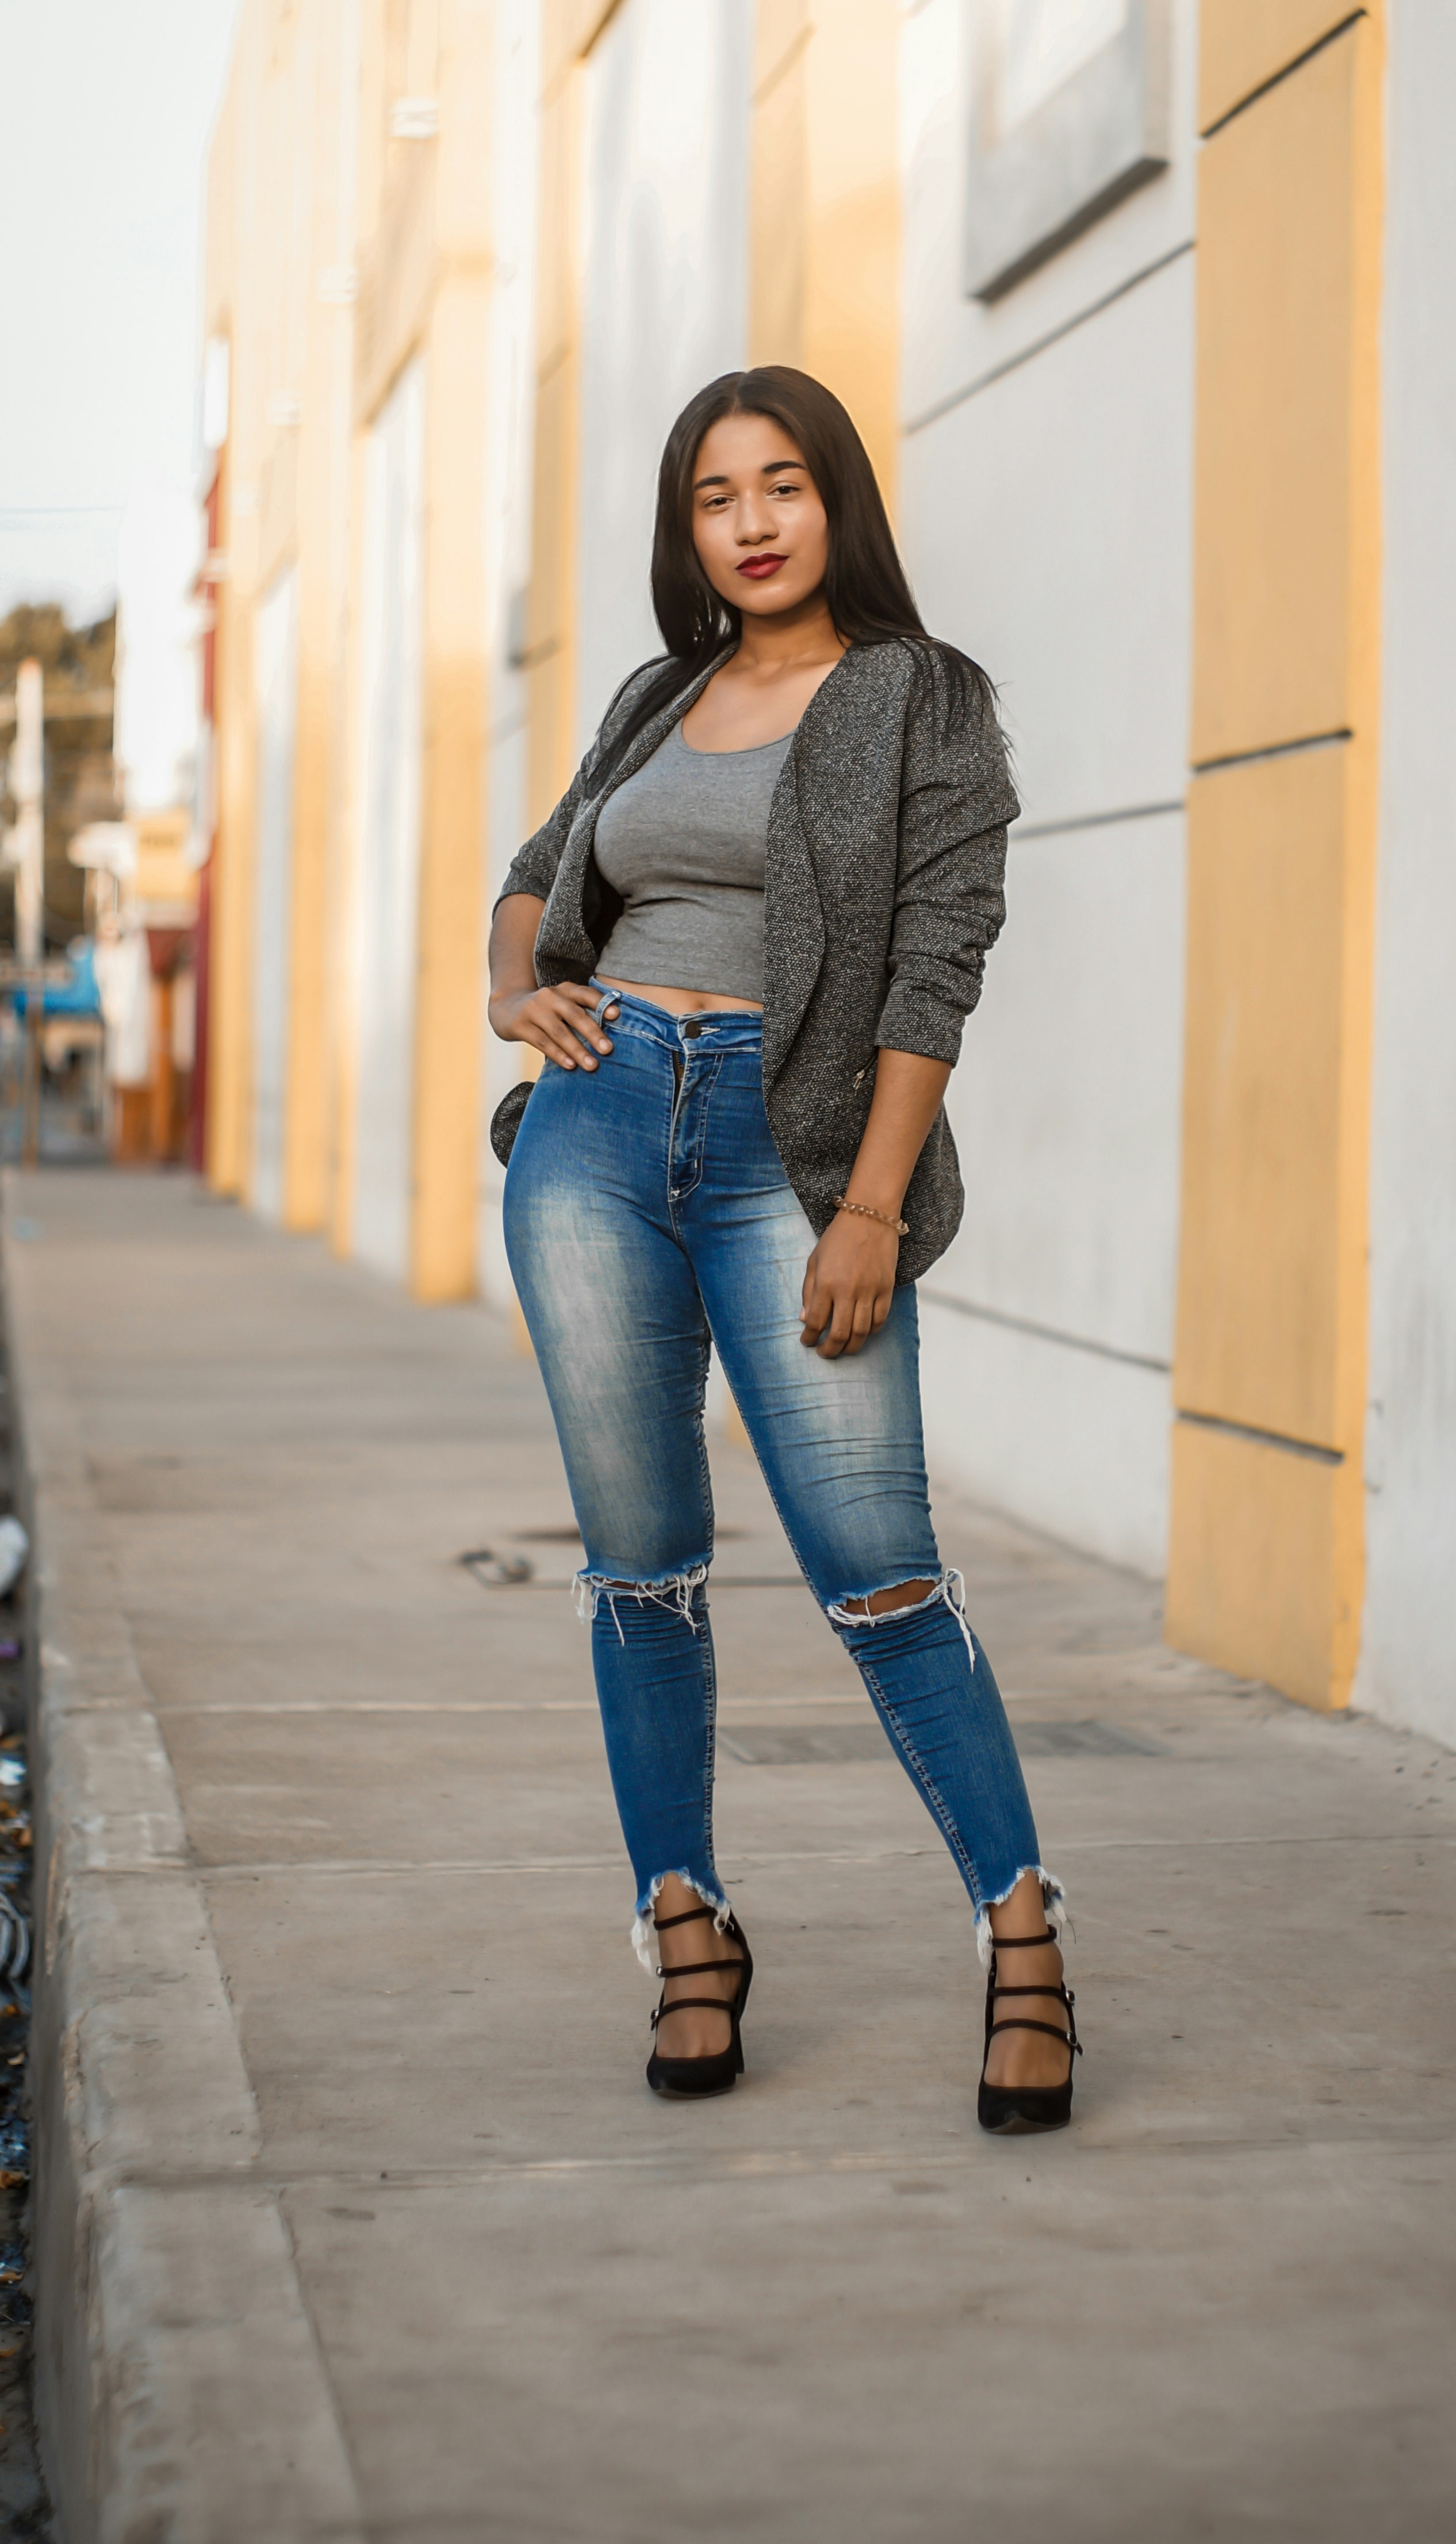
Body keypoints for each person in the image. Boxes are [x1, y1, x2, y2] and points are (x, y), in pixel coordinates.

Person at [488, 365, 1079, 2133]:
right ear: (690, 530)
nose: (749, 524)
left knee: (877, 1564)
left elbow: (934, 964)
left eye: (783, 487)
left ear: (838, 505)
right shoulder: (655, 699)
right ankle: (686, 1927)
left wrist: (873, 1207)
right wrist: (521, 991)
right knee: (640, 1564)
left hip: (789, 1146)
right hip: (594, 1138)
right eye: (714, 498)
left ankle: (1027, 1935)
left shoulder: (922, 700)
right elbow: (538, 869)